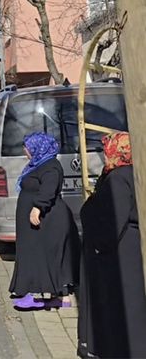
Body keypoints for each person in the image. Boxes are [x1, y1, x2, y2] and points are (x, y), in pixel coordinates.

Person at [78, 132, 145, 358]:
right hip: (130, 245)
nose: (104, 155)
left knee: (124, 304)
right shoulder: (134, 172)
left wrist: (100, 245)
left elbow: (114, 218)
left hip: (120, 251)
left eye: (107, 150)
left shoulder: (118, 178)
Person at [9, 133, 79, 310]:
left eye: (27, 147)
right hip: (39, 220)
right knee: (37, 253)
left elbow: (49, 189)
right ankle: (54, 296)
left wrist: (38, 207)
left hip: (47, 218)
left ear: (38, 147)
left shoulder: (50, 167)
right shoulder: (38, 164)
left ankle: (39, 295)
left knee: (42, 254)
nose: (25, 150)